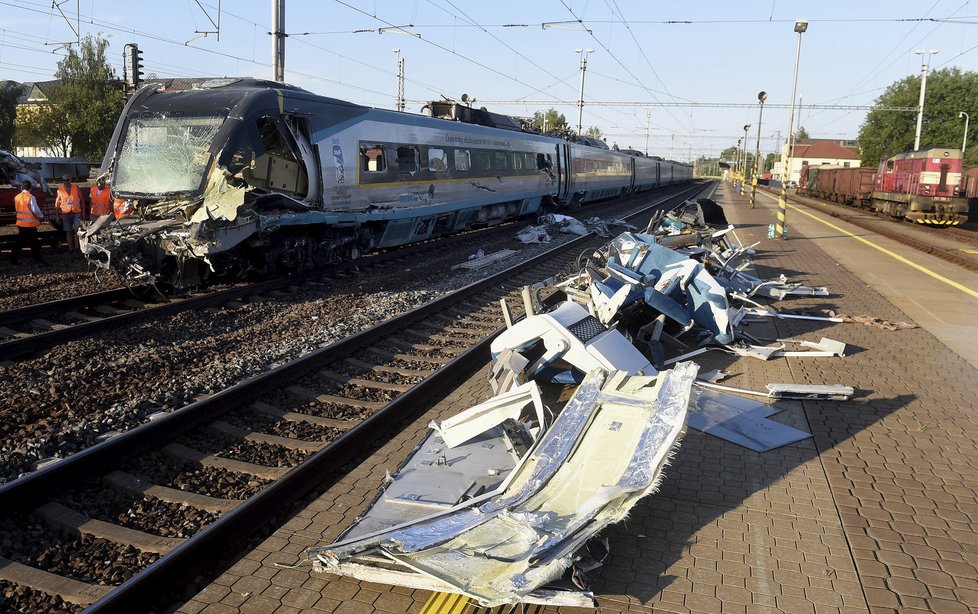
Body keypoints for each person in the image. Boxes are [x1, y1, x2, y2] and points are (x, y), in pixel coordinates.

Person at [10, 179, 46, 265]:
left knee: (20, 242)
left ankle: (13, 259)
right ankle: (37, 259)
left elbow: (17, 209)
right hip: (29, 224)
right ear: (31, 188)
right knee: (34, 243)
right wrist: (41, 216)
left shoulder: (17, 197)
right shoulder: (31, 197)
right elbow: (35, 210)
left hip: (20, 223)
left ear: (22, 187)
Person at [55, 174, 82, 251]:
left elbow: (82, 200)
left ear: (71, 180)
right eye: (63, 180)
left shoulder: (76, 188)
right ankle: (71, 249)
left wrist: (83, 212)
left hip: (76, 213)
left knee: (77, 231)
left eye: (67, 180)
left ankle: (77, 248)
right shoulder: (60, 190)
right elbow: (57, 204)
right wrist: (57, 216)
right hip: (66, 214)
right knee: (68, 231)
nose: (65, 182)